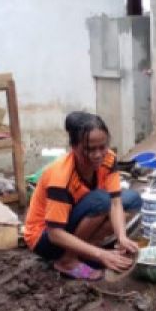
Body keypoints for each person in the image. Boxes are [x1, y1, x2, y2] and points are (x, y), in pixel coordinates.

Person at [24, 112, 141, 281]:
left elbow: (116, 203)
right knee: (101, 201)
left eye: (102, 147)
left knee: (131, 199)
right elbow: (54, 233)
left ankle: (86, 250)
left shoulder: (108, 159)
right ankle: (68, 260)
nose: (98, 155)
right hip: (44, 238)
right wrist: (101, 255)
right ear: (74, 147)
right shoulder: (60, 176)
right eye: (90, 149)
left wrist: (122, 237)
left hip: (73, 219)